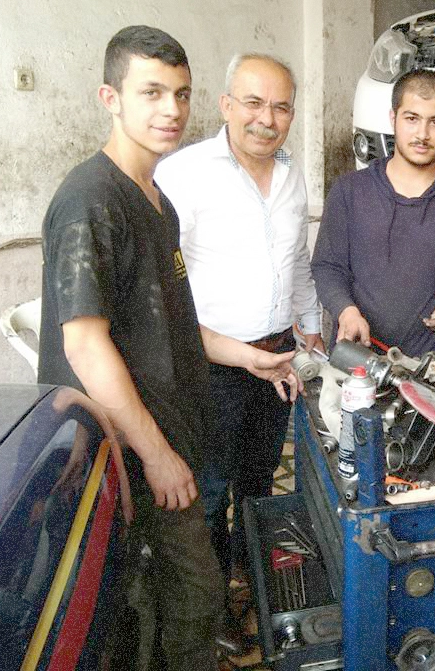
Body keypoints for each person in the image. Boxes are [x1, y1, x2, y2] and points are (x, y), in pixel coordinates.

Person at [37, 26, 295, 670]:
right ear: (110, 98)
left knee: (175, 598)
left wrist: (248, 356)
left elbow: (172, 325)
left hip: (173, 429)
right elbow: (85, 345)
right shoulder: (90, 201)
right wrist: (156, 456)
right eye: (150, 92)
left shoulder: (156, 202)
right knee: (181, 598)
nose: (171, 110)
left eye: (180, 93)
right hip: (126, 449)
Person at [155, 53, 320, 580]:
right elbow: (163, 285)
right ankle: (212, 599)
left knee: (259, 480)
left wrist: (311, 326)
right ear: (226, 105)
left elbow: (296, 260)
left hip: (276, 357)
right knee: (208, 490)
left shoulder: (292, 173)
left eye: (281, 107)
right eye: (253, 103)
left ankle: (253, 581)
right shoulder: (183, 174)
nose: (266, 119)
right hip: (210, 365)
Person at [311, 69, 435, 358]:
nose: (422, 134)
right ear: (393, 118)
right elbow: (327, 266)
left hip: (434, 365)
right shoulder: (349, 191)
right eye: (411, 118)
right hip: (356, 361)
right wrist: (346, 311)